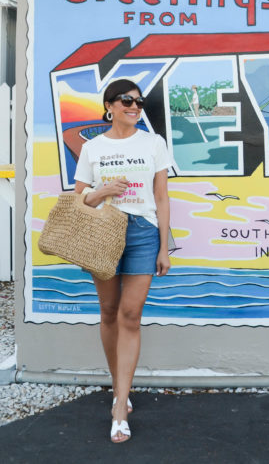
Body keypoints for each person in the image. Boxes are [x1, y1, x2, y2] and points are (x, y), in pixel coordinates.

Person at [73, 78, 172, 443]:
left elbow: (161, 198)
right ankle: (120, 388)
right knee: (109, 311)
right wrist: (102, 191)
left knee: (131, 314)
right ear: (109, 106)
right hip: (104, 232)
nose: (134, 107)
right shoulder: (93, 147)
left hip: (143, 233)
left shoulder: (153, 143)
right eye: (126, 101)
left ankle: (119, 407)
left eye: (139, 102)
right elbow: (78, 197)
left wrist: (164, 247)